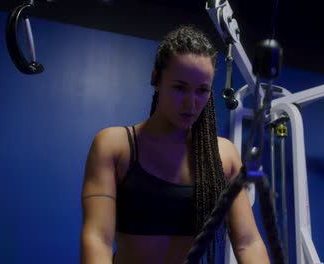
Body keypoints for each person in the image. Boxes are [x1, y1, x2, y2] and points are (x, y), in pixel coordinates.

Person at [80, 24, 269, 264]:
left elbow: (248, 242)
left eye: (202, 90)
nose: (191, 103)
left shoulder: (224, 155)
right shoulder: (115, 146)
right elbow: (98, 237)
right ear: (156, 79)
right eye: (179, 88)